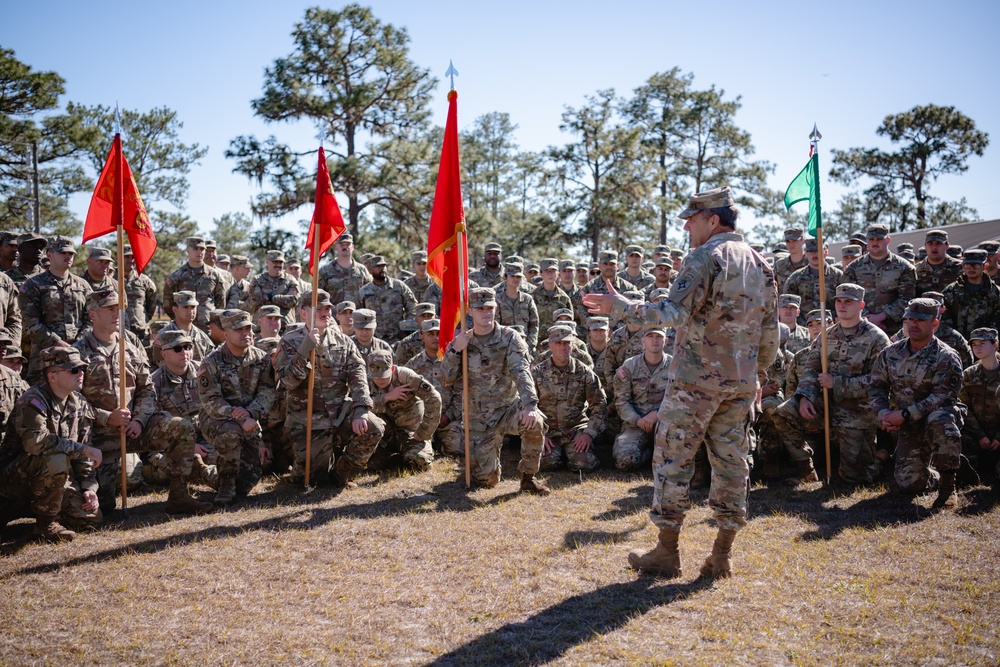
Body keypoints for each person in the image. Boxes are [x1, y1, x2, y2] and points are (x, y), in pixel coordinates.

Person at [585, 185, 778, 579]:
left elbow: (672, 311)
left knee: (673, 460)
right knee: (732, 465)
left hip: (696, 383)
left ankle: (666, 553)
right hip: (739, 386)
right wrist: (757, 376)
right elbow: (771, 333)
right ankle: (721, 555)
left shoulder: (705, 256)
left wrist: (620, 307)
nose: (687, 227)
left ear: (713, 219)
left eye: (691, 220)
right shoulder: (761, 263)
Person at [73, 289, 211, 515]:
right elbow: (73, 400)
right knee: (100, 512)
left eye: (118, 308)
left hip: (135, 429)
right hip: (98, 436)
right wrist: (107, 417)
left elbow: (147, 389)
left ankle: (179, 496)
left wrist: (139, 419)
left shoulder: (130, 347)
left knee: (180, 428)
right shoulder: (79, 352)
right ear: (93, 314)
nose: (117, 313)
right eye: (109, 309)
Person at [772, 283, 891, 485]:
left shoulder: (876, 338)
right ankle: (806, 468)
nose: (842, 306)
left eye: (848, 302)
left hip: (857, 411)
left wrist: (836, 383)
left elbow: (879, 382)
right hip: (824, 403)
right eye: (838, 301)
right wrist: (804, 397)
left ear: (861, 305)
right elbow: (811, 369)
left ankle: (877, 462)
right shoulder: (826, 336)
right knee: (783, 413)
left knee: (854, 479)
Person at [440, 286, 550, 494]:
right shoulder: (461, 342)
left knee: (535, 422)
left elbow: (521, 371)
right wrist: (455, 351)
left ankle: (528, 478)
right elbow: (446, 380)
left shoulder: (510, 338)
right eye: (480, 308)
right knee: (486, 480)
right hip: (477, 418)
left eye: (489, 307)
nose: (486, 312)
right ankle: (485, 465)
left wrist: (530, 405)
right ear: (470, 311)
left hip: (507, 410)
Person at [275, 290, 385, 487]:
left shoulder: (343, 341)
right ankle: (317, 465)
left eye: (328, 309)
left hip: (339, 413)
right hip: (308, 419)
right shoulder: (290, 342)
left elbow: (358, 377)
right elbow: (288, 382)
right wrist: (305, 349)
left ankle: (341, 473)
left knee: (374, 427)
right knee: (311, 480)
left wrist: (361, 410)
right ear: (303, 313)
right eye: (320, 309)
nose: (326, 313)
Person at [869, 298, 965, 508]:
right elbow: (876, 386)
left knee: (942, 420)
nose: (913, 324)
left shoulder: (946, 356)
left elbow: (942, 396)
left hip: (937, 417)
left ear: (935, 324)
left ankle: (949, 487)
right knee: (908, 484)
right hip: (908, 424)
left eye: (920, 320)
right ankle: (936, 474)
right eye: (910, 319)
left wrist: (903, 414)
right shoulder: (890, 353)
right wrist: (883, 413)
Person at [0, 347, 103, 540]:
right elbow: (35, 443)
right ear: (53, 376)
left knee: (90, 519)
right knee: (56, 457)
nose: (80, 373)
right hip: (14, 479)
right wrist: (84, 449)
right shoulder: (33, 400)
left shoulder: (78, 402)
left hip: (50, 479)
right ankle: (45, 524)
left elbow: (84, 452)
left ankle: (35, 509)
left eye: (82, 369)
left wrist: (89, 487)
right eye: (73, 370)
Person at [198, 310, 277, 506]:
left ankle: (201, 471)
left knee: (247, 482)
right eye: (238, 329)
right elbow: (211, 400)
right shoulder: (212, 361)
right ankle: (225, 487)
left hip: (250, 418)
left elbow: (267, 393)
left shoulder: (261, 359)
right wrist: (240, 418)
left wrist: (250, 413)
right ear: (225, 334)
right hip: (216, 419)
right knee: (231, 432)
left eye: (248, 328)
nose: (246, 333)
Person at [19, 236, 92, 385]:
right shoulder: (33, 285)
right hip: (45, 359)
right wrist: (58, 343)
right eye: (62, 252)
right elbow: (30, 323)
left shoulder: (83, 286)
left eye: (71, 254)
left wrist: (78, 344)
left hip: (78, 356)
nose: (68, 256)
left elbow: (91, 319)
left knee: (76, 403)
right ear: (49, 255)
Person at [534, 325, 607, 473]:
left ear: (573, 344)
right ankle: (558, 454)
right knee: (546, 464)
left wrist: (588, 433)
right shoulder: (537, 373)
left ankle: (573, 454)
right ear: (550, 345)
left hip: (575, 431)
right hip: (548, 432)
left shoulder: (584, 372)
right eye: (558, 343)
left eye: (567, 343)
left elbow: (600, 405)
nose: (563, 347)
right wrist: (538, 435)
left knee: (583, 465)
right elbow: (527, 406)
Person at [366, 349, 440, 472]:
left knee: (421, 463)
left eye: (384, 375)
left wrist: (424, 432)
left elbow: (434, 399)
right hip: (382, 434)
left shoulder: (406, 377)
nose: (380, 380)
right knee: (370, 465)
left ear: (393, 369)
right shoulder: (365, 380)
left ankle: (404, 454)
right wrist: (386, 397)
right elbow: (358, 405)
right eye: (376, 376)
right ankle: (388, 456)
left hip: (410, 431)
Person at [611, 328, 671, 471]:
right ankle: (650, 454)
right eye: (650, 336)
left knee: (677, 459)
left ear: (666, 341)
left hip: (666, 424)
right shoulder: (629, 366)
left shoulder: (675, 366)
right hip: (635, 425)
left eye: (659, 337)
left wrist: (658, 414)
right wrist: (638, 420)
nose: (655, 340)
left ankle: (658, 453)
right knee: (626, 461)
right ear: (643, 341)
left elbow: (680, 399)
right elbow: (621, 401)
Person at [404, 319, 464, 458]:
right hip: (422, 422)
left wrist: (448, 416)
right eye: (430, 334)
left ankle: (439, 443)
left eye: (438, 333)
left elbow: (461, 393)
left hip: (447, 421)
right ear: (421, 336)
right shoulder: (413, 365)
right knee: (416, 456)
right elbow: (406, 395)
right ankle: (429, 445)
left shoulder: (452, 363)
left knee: (460, 448)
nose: (435, 337)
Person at [842, 224, 917, 334]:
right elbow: (850, 297)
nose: (875, 242)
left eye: (879, 239)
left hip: (894, 330)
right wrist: (867, 318)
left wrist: (882, 316)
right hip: (861, 329)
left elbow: (907, 298)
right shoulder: (853, 268)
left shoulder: (905, 267)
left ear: (888, 240)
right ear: (867, 241)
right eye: (871, 239)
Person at [958, 328, 1000, 484]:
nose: (977, 348)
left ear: (995, 345)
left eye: (982, 343)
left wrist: (998, 437)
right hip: (975, 435)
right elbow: (964, 407)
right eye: (974, 344)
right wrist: (980, 435)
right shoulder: (968, 375)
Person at [163, 237, 228, 332]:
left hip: (208, 329)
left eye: (202, 249)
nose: (199, 252)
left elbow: (221, 302)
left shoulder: (214, 275)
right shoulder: (177, 276)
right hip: (184, 330)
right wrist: (180, 320)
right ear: (188, 250)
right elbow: (168, 304)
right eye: (195, 248)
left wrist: (214, 321)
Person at [357, 255, 417, 344]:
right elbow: (359, 314)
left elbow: (413, 307)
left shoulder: (399, 286)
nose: (382, 269)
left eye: (384, 266)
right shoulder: (364, 291)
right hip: (374, 340)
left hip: (398, 338)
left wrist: (406, 328)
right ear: (370, 270)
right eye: (378, 266)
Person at [942, 249, 1000, 340]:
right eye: (968, 265)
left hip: (986, 344)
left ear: (985, 266)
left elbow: (997, 322)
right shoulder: (951, 291)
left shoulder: (995, 292)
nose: (971, 269)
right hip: (956, 344)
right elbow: (944, 321)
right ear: (962, 266)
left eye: (976, 265)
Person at [784, 237, 843, 325]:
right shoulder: (796, 277)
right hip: (804, 327)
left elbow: (844, 301)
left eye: (818, 250)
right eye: (810, 251)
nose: (814, 254)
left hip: (830, 327)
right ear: (805, 254)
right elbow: (788, 303)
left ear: (825, 252)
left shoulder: (837, 275)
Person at [149, 291, 216, 368]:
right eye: (185, 307)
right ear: (175, 309)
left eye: (193, 307)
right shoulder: (163, 337)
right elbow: (155, 366)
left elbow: (211, 365)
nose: (190, 311)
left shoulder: (202, 337)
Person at [494, 263, 540, 353]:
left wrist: (530, 345)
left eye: (518, 277)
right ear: (505, 278)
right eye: (512, 276)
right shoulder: (498, 299)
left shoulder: (527, 299)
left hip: (525, 346)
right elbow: (495, 326)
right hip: (503, 347)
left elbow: (534, 324)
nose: (515, 279)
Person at [246, 250, 300, 325]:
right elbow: (255, 301)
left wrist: (271, 297)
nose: (278, 265)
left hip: (285, 326)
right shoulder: (258, 280)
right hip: (262, 327)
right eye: (275, 262)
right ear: (267, 262)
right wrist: (283, 299)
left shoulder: (291, 280)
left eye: (280, 262)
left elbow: (293, 301)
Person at [318, 232, 372, 305]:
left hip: (356, 314)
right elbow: (318, 296)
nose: (345, 247)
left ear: (352, 247)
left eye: (348, 244)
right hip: (334, 315)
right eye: (341, 244)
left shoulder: (362, 270)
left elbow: (370, 294)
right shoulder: (325, 270)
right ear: (336, 247)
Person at [121, 245, 157, 345]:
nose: (130, 260)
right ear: (118, 258)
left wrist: (142, 320)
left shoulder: (145, 281)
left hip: (139, 333)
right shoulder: (110, 278)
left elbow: (151, 305)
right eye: (126, 257)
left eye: (133, 257)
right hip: (116, 331)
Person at [532, 258, 574, 335]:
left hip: (559, 341)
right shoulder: (532, 296)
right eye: (546, 271)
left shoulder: (564, 298)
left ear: (558, 273)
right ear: (541, 274)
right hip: (538, 341)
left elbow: (570, 322)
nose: (550, 274)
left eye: (553, 271)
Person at [915, 229, 962, 296]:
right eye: (930, 243)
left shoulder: (960, 268)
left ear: (947, 246)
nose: (934, 247)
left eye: (938, 243)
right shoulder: (916, 270)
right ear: (925, 246)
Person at [772, 227, 807, 292]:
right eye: (788, 241)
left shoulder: (811, 263)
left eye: (794, 241)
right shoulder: (779, 265)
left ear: (802, 241)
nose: (791, 244)